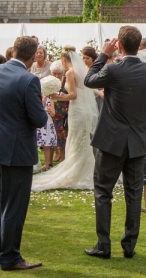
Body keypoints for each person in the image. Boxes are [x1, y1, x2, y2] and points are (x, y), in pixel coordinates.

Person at [84, 26, 146, 259]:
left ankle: (103, 244)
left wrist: (103, 54)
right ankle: (129, 245)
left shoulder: (113, 69)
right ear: (139, 46)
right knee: (134, 193)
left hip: (111, 140)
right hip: (137, 140)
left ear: (119, 45)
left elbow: (89, 80)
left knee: (103, 191)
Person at [0, 36, 47, 270]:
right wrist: (42, 104)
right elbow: (39, 119)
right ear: (33, 56)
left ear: (13, 51)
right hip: (15, 150)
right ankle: (10, 257)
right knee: (13, 205)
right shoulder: (28, 80)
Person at [32, 49, 98, 192]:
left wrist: (56, 97)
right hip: (84, 110)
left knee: (76, 139)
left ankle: (77, 171)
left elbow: (73, 95)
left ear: (63, 59)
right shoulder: (80, 71)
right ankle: (84, 170)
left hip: (77, 109)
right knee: (81, 140)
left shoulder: (70, 73)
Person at [47, 59, 71, 163]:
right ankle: (49, 162)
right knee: (51, 137)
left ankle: (63, 160)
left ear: (63, 72)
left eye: (59, 73)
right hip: (51, 112)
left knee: (62, 138)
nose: (57, 76)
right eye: (54, 73)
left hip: (64, 113)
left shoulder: (67, 81)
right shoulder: (48, 82)